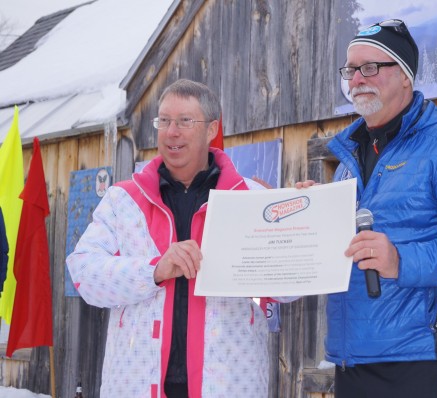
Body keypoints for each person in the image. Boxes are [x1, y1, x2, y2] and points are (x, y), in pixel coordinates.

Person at [297, 19, 437, 397]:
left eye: (371, 67)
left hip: (423, 360)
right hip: (352, 359)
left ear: (405, 77)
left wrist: (400, 259)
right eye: (350, 70)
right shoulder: (349, 159)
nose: (357, 79)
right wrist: (318, 212)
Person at [67, 79, 280, 397]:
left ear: (211, 130)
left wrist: (304, 222)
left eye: (184, 121)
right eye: (164, 121)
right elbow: (83, 272)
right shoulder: (123, 199)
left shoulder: (251, 197)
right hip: (136, 382)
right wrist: (152, 270)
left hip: (229, 383)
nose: (171, 132)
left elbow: (290, 290)